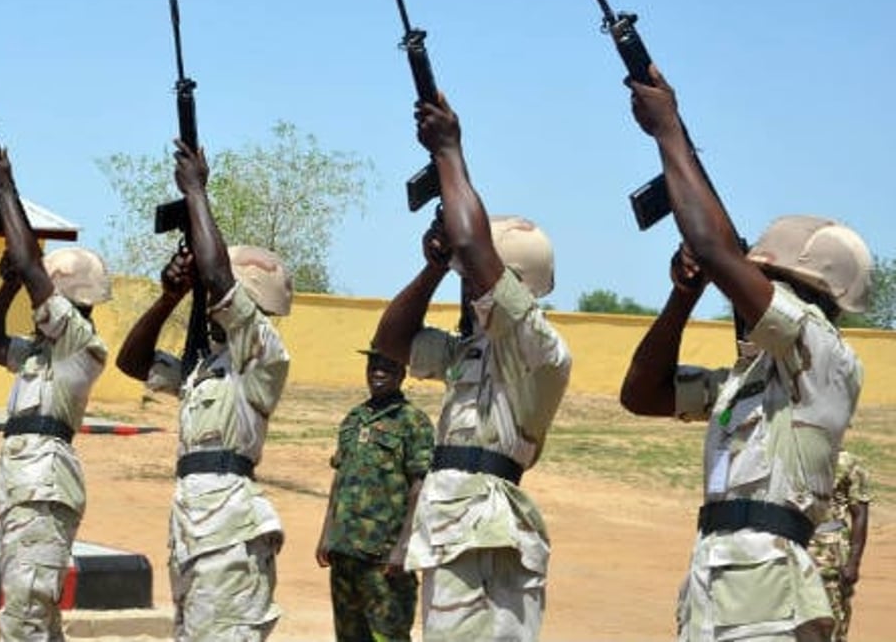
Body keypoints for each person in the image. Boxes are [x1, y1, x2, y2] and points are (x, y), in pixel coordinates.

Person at [618, 64, 872, 640]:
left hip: (772, 598)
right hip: (715, 588)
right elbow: (642, 395)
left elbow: (711, 244)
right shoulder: (752, 378)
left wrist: (669, 133)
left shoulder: (825, 356)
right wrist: (682, 297)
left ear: (804, 291)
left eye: (762, 278)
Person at [371, 94, 572, 641]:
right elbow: (391, 343)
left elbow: (478, 255)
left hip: (489, 529)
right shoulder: (470, 351)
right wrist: (433, 267)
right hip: (453, 521)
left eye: (470, 277)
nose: (466, 286)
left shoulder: (542, 349)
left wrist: (450, 152)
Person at [115, 140, 293, 642]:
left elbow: (217, 277)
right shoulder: (206, 368)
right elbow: (133, 363)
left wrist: (196, 191)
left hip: (231, 531)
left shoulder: (263, 355)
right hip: (192, 525)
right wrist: (170, 296)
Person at [0, 150, 109, 642]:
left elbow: (33, 268)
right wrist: (8, 285)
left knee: (25, 612)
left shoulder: (80, 344)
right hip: (22, 483)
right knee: (35, 612)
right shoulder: (40, 350)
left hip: (44, 485)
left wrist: (5, 189)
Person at [316, 347, 434, 642]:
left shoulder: (413, 421)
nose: (378, 373)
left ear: (402, 373)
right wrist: (326, 534)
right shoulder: (354, 418)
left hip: (383, 556)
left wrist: (403, 546)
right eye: (373, 366)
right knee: (349, 635)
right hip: (345, 550)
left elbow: (420, 486)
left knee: (388, 635)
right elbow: (339, 477)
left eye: (387, 367)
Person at [809, 450, 870, 642]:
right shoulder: (791, 457)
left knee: (831, 621)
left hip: (830, 555)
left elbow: (860, 514)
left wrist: (854, 563)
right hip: (792, 550)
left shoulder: (849, 463)